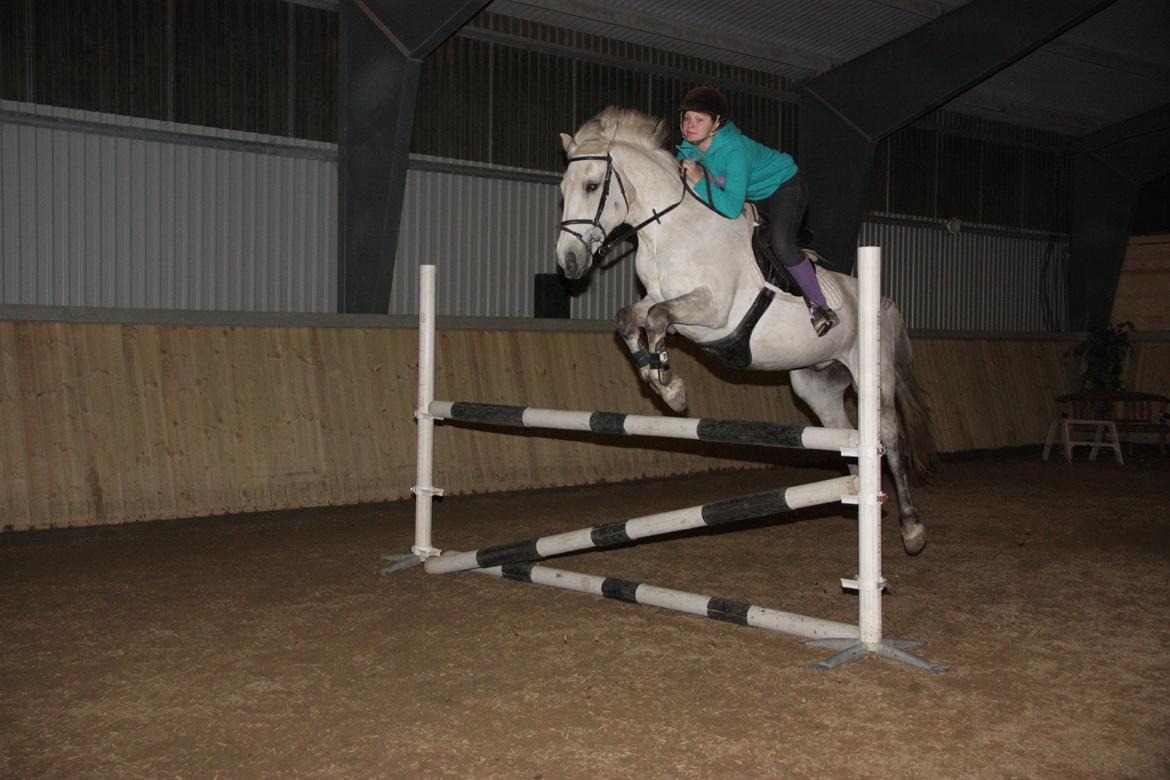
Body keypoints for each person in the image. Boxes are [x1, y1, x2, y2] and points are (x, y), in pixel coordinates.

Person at [675, 85, 838, 336]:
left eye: (699, 119)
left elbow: (730, 208)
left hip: (784, 187)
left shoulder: (734, 150)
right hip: (751, 194)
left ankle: (820, 306)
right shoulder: (688, 147)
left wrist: (699, 179)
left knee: (781, 243)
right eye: (686, 118)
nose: (689, 125)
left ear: (717, 123)